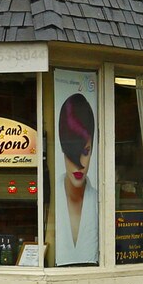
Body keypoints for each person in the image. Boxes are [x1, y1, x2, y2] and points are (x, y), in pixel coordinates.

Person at [54, 92, 98, 265]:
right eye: (73, 151)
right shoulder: (51, 196)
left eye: (85, 151)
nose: (79, 164)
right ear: (63, 149)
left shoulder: (98, 201)